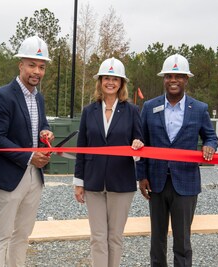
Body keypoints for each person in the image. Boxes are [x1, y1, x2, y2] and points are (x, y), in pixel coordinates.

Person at [136, 54, 218, 267]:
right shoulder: (150, 107)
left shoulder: (199, 109)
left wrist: (210, 145)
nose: (173, 80)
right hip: (156, 182)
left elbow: (211, 136)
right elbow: (141, 142)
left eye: (178, 76)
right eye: (169, 76)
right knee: (157, 241)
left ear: (186, 80)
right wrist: (142, 176)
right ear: (163, 79)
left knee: (182, 242)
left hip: (186, 184)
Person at [0, 36, 54, 267]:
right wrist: (29, 156)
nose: (37, 71)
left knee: (22, 235)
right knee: (1, 235)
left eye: (41, 67)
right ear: (20, 65)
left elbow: (41, 124)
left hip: (34, 177)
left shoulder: (39, 98)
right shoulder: (2, 96)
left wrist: (45, 132)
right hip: (9, 176)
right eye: (32, 65)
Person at [73, 57, 144, 267]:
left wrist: (138, 146)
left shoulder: (131, 111)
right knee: (97, 237)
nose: (110, 82)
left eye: (115, 79)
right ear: (100, 81)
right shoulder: (89, 111)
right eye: (106, 78)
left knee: (114, 237)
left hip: (121, 183)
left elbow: (139, 143)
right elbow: (81, 147)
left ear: (121, 83)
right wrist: (79, 181)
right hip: (93, 183)